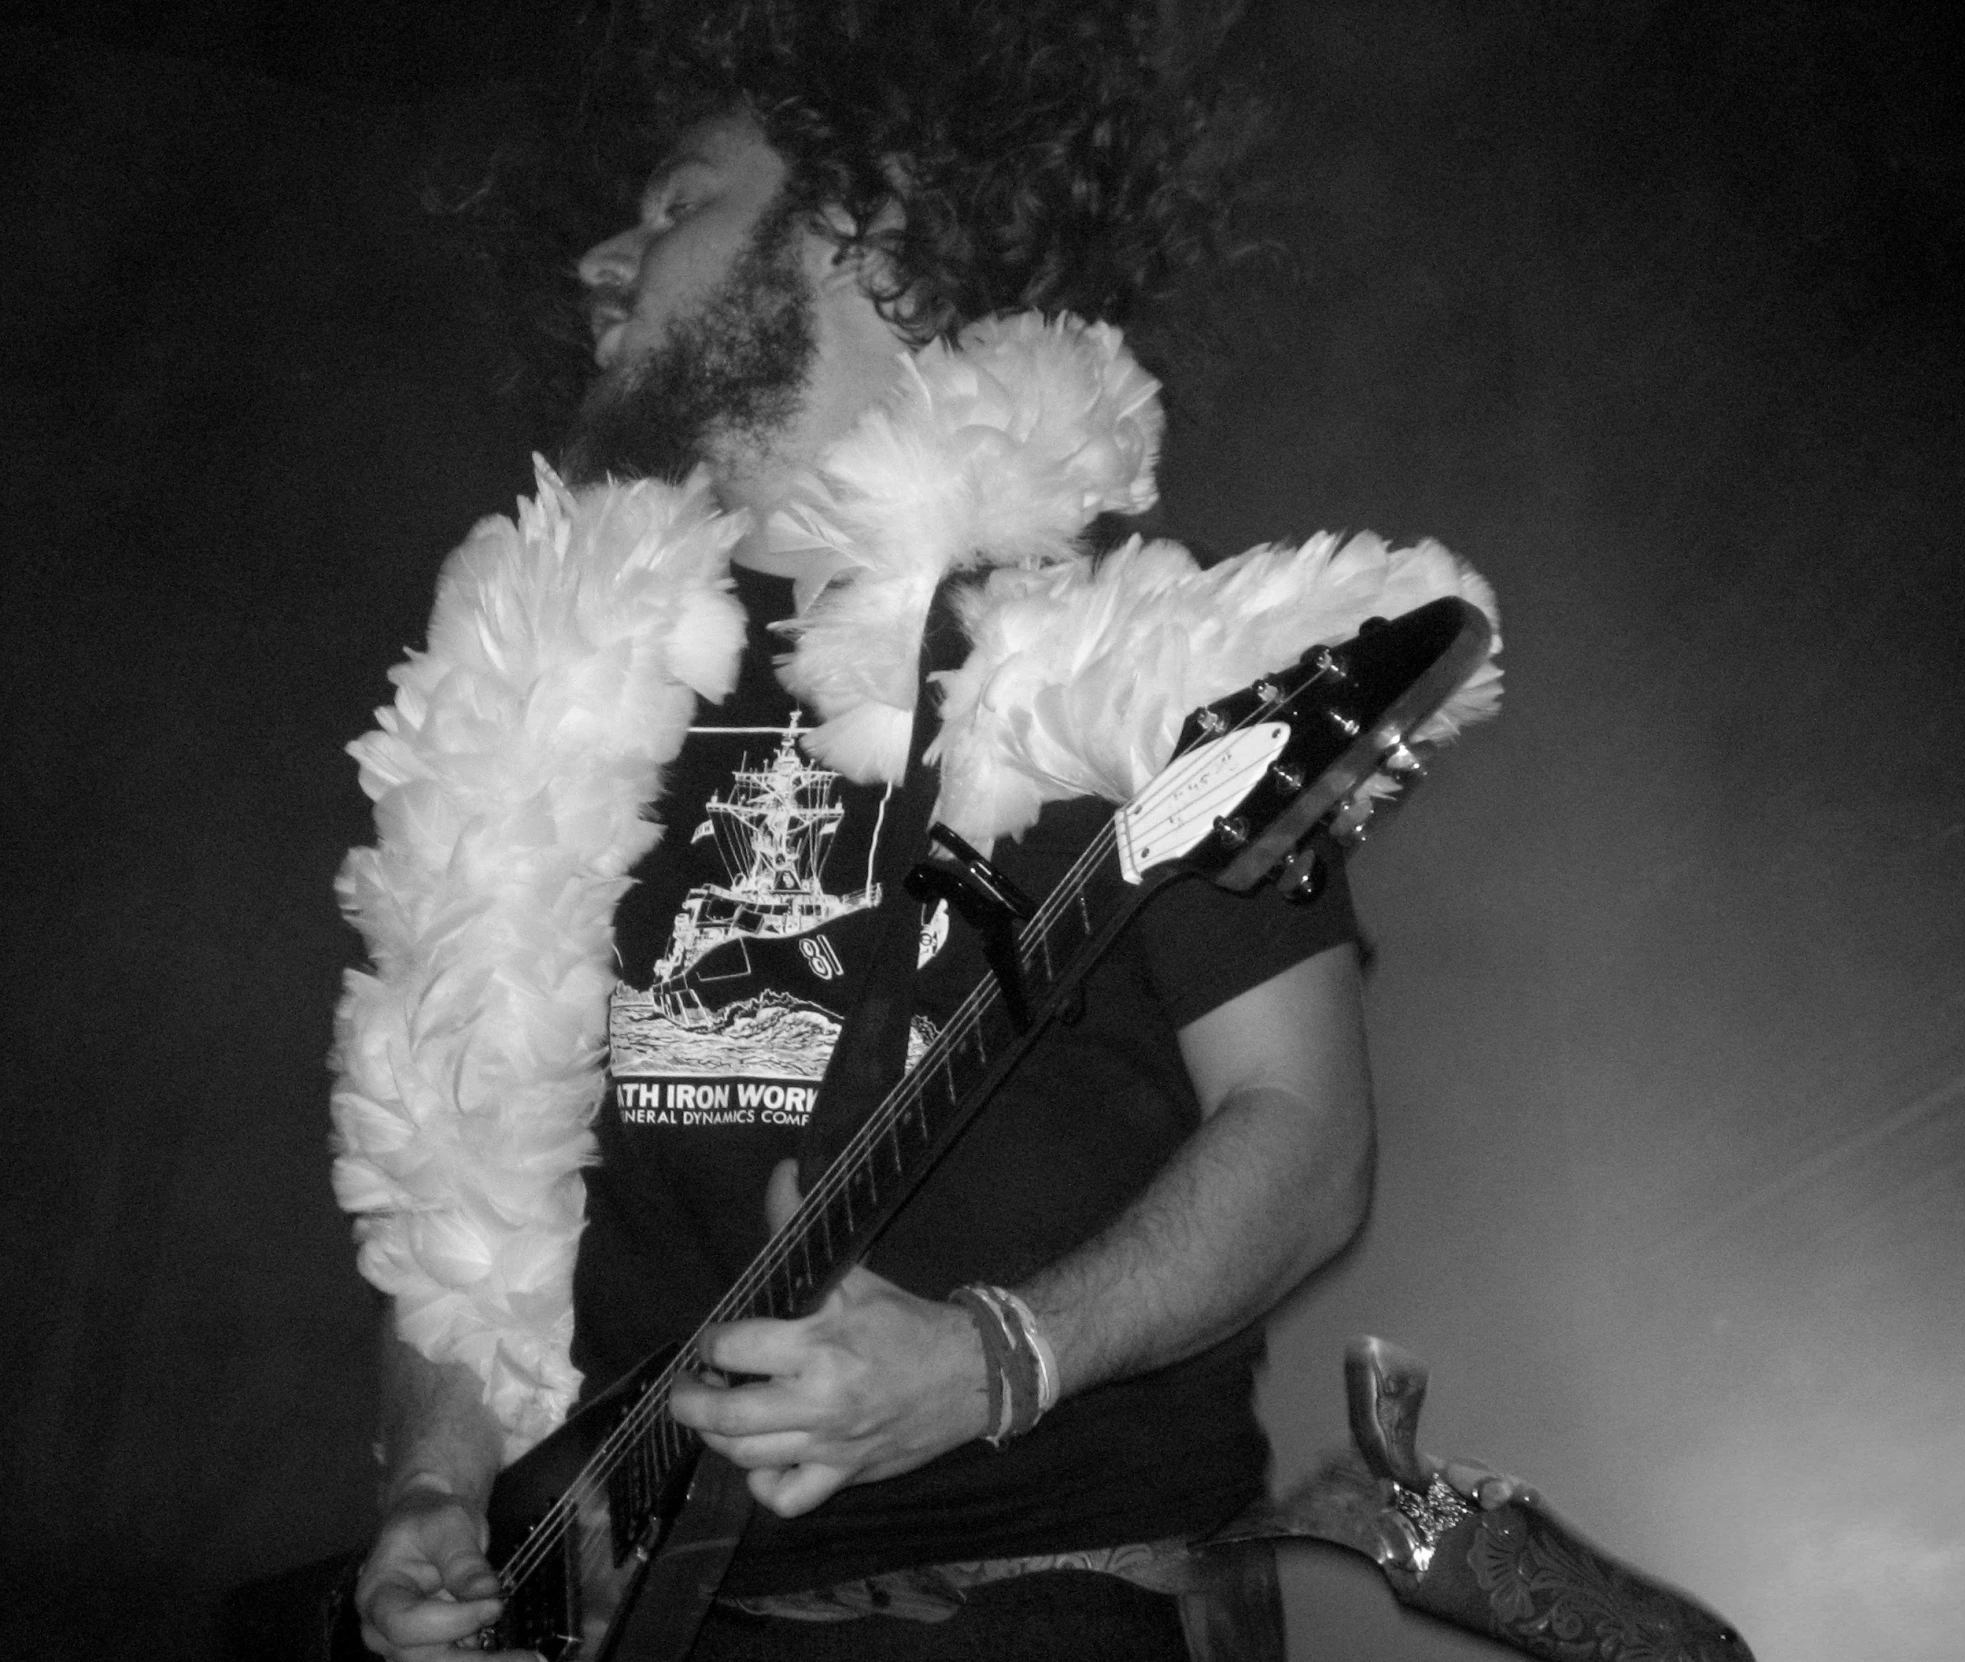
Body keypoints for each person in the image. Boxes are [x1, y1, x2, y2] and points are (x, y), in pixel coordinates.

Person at [333, 6, 1493, 1659]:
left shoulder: (1127, 674)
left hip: (1040, 1598)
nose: (604, 257)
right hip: (633, 1613)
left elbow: (1307, 1134)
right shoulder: (544, 698)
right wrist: (432, 1496)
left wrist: (992, 1359)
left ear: (865, 238)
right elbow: (455, 1200)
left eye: (675, 205)